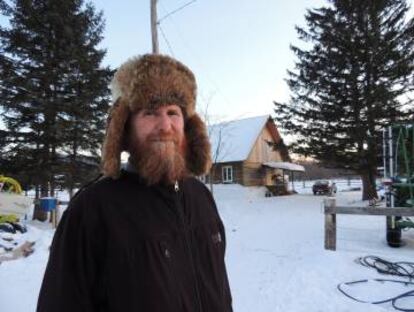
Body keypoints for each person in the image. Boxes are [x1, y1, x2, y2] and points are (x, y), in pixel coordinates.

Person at [37, 54, 233, 312]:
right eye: (150, 112)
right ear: (124, 127)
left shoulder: (200, 196)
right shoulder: (92, 210)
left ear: (188, 126)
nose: (165, 125)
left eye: (173, 112)